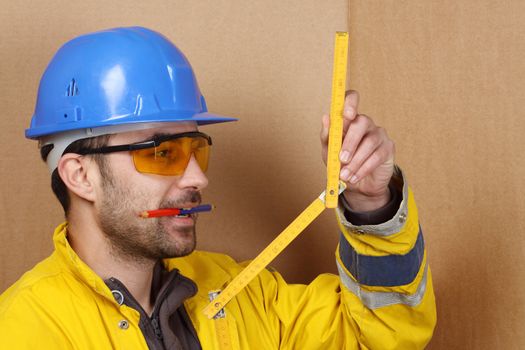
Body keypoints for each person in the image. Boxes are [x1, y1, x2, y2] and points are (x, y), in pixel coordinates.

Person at [0, 27, 436, 349]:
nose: (198, 178)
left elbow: (378, 338)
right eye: (163, 152)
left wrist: (372, 204)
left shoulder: (240, 291)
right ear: (80, 176)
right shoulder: (27, 329)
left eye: (197, 150)